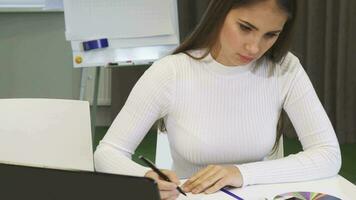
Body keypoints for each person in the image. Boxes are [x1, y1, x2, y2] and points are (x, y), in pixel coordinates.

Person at [94, 0, 341, 199]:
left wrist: (240, 173)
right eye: (245, 27)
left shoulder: (285, 68)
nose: (255, 48)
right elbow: (107, 153)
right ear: (219, 13)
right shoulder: (171, 72)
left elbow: (328, 155)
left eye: (271, 34)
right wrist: (145, 178)